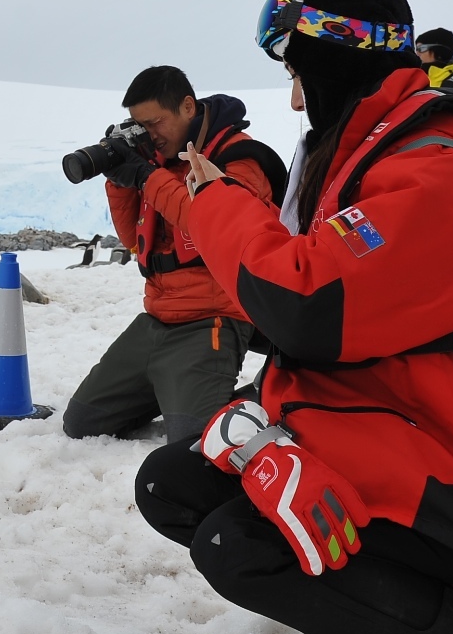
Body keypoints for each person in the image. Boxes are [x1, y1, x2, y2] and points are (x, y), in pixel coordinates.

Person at [136, 0, 453, 634]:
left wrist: (215, 201)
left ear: (338, 62)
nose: (295, 98)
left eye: (300, 74)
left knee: (238, 543)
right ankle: (369, 632)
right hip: (387, 429)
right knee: (174, 482)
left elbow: (301, 300)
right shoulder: (372, 156)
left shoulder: (434, 173)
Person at [61, 66, 285, 442]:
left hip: (212, 317)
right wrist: (121, 179)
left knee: (193, 438)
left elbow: (215, 225)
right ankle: (171, 387)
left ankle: (276, 396)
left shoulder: (240, 159)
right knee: (83, 423)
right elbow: (133, 238)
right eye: (139, 125)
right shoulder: (160, 160)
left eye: (155, 123)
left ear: (187, 106)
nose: (149, 134)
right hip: (156, 319)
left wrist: (146, 176)